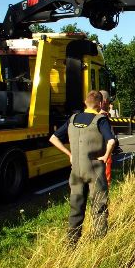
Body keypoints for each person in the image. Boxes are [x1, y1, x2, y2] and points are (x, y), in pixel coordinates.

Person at [49, 91, 116, 246]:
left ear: (85, 103)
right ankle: (100, 243)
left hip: (76, 171)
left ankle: (72, 243)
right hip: (95, 170)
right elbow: (111, 141)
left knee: (76, 207)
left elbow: (53, 138)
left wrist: (70, 154)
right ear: (99, 104)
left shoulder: (73, 119)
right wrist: (106, 156)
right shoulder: (100, 120)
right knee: (99, 207)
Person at [99, 90, 114, 186]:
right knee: (105, 177)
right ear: (105, 101)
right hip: (104, 150)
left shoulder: (87, 115)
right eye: (108, 101)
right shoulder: (103, 117)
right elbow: (110, 139)